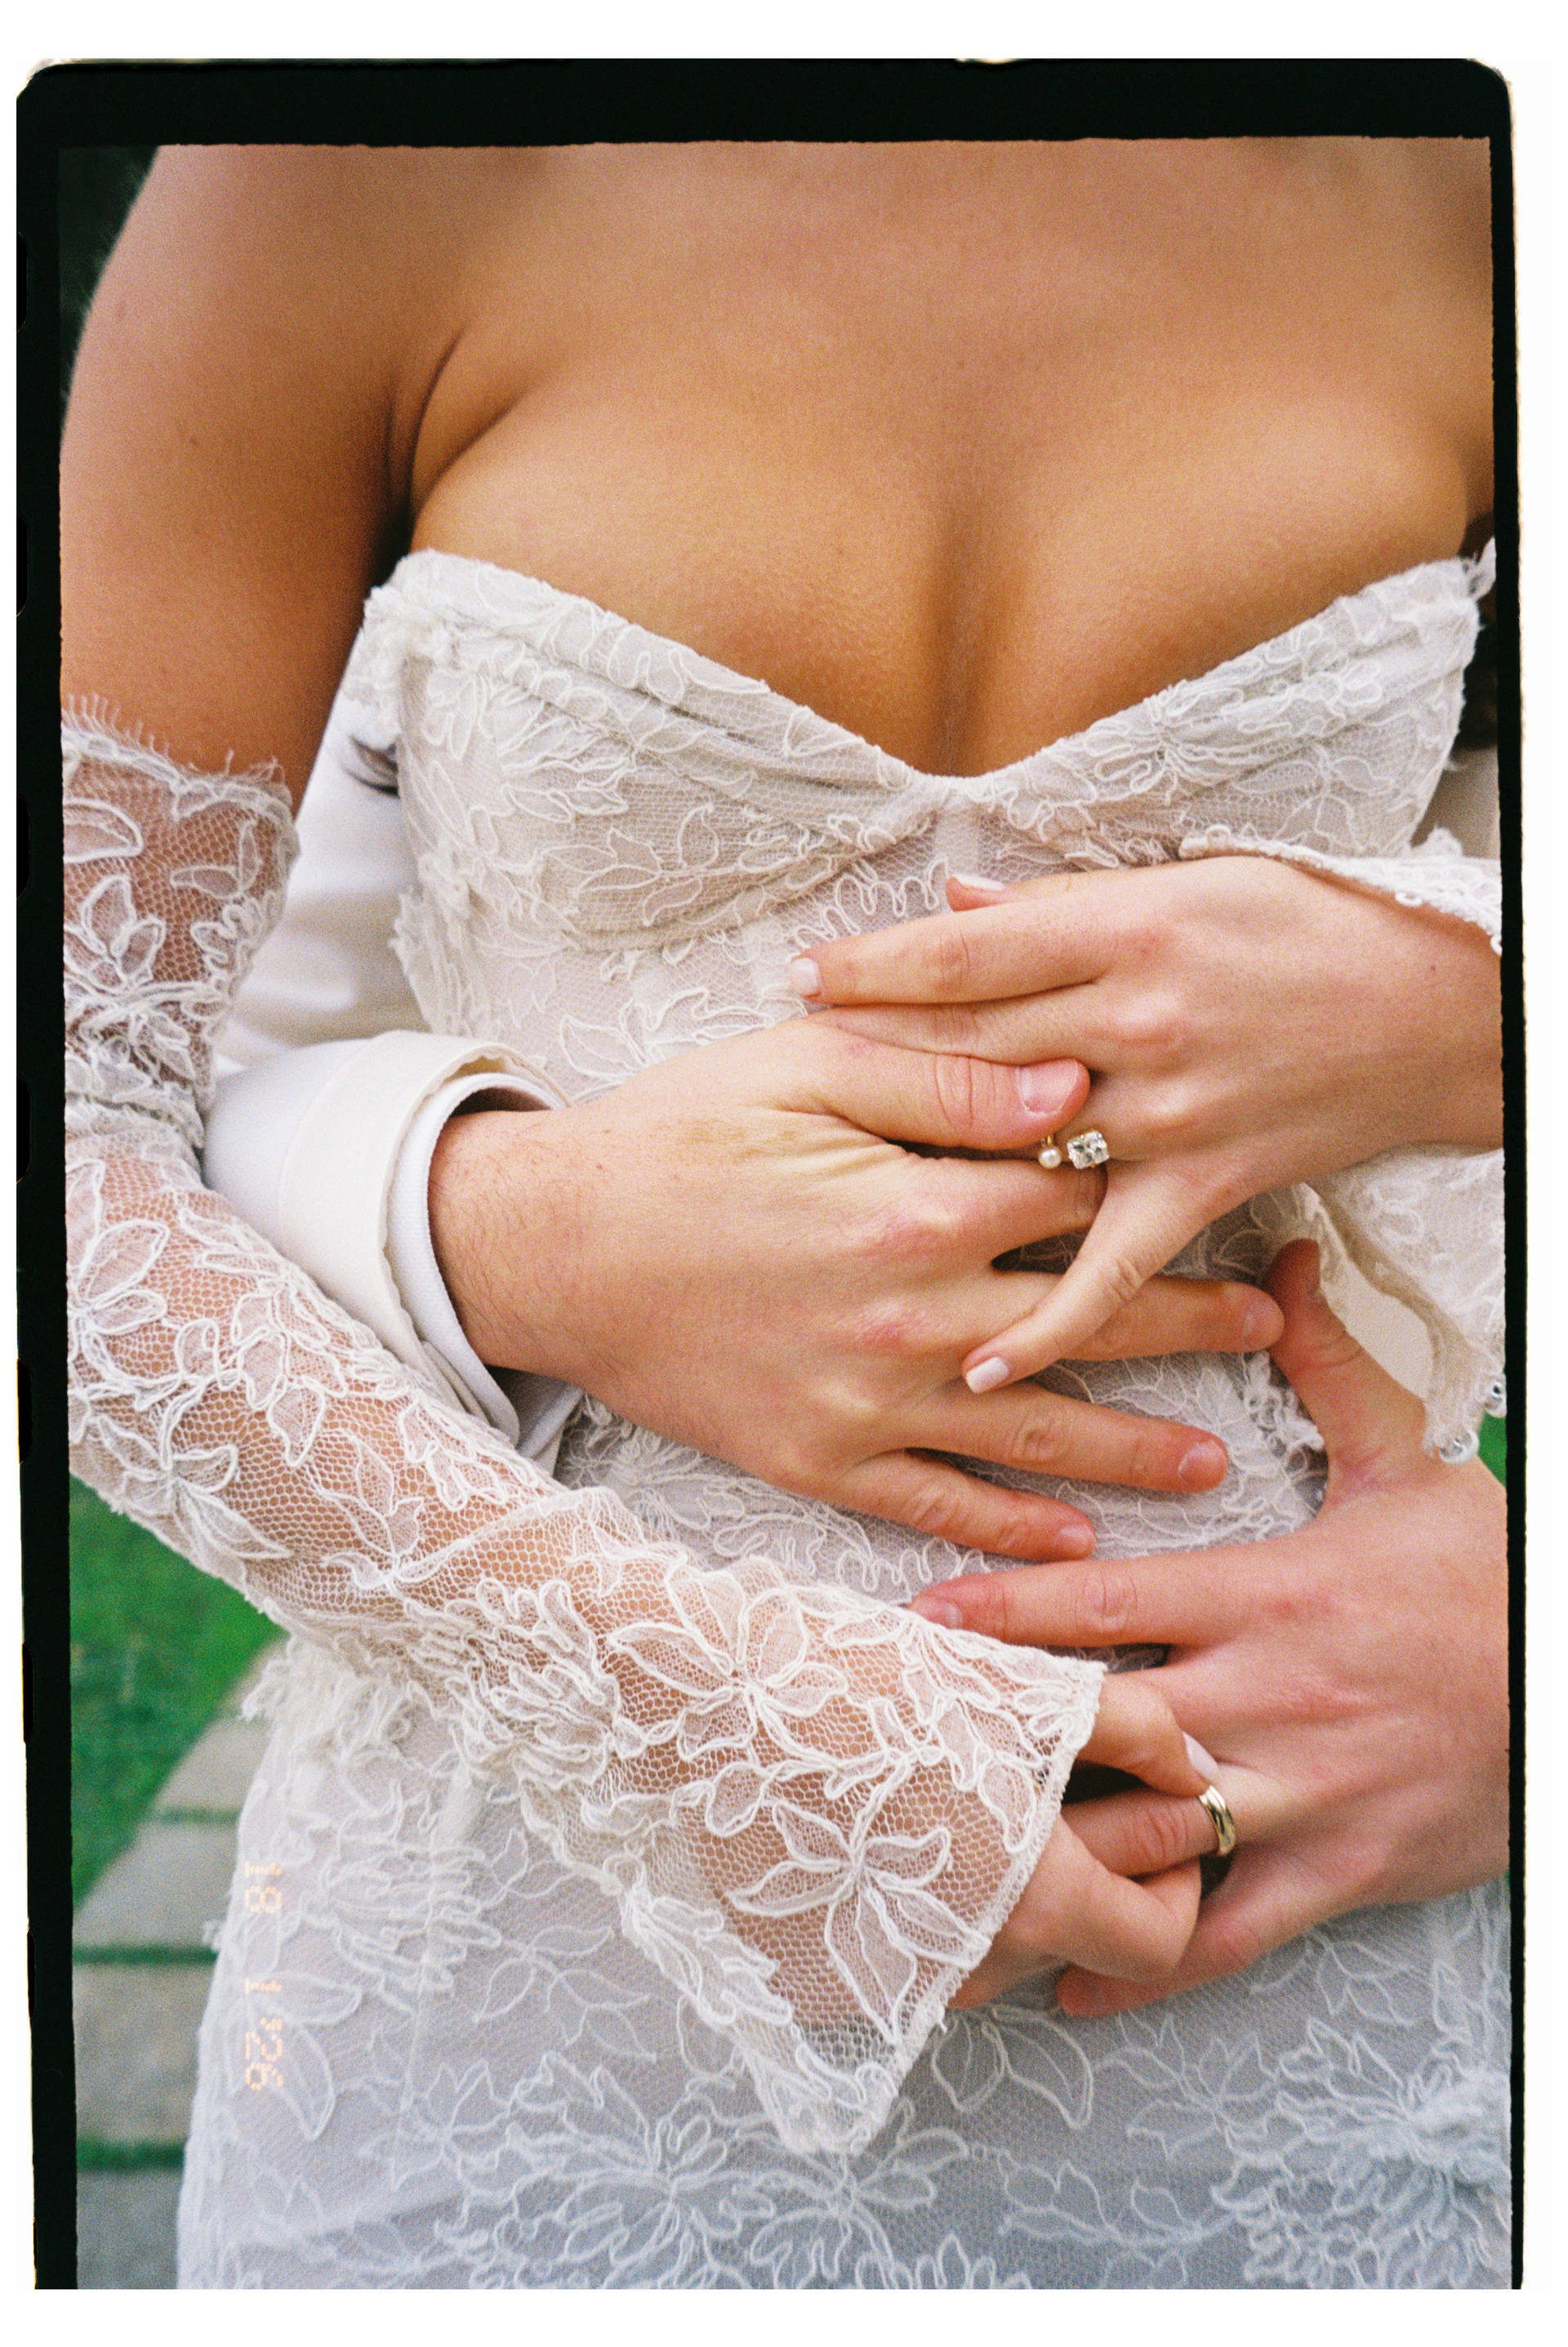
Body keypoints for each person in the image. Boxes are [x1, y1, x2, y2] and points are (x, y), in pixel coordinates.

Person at [62, 138, 1507, 2287]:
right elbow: (67, 1111)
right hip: (514, 1984)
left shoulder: (1477, 155)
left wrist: (1466, 1005)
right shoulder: (334, 151)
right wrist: (706, 1723)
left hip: (1316, 1919)